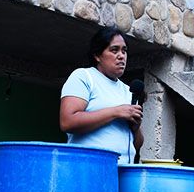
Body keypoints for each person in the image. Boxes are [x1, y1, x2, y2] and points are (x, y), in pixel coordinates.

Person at [60, 27, 143, 164]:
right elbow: (67, 122)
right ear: (97, 55)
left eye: (124, 50)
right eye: (114, 50)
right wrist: (116, 112)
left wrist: (136, 127)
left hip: (122, 172)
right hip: (88, 168)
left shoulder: (128, 90)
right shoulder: (84, 77)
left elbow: (137, 144)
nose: (121, 56)